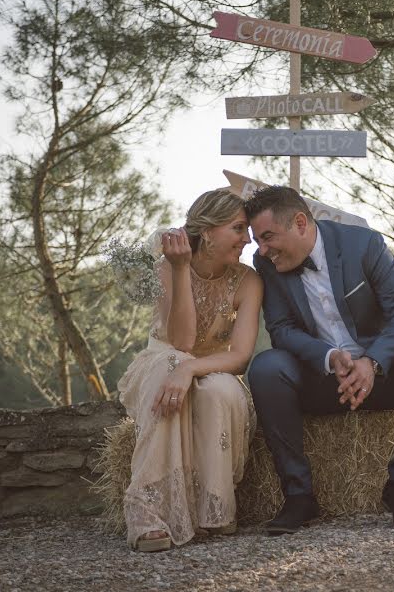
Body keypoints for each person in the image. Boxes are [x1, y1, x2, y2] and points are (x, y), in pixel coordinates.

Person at [245, 186, 394, 534]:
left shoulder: (364, 244)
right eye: (257, 242)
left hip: (382, 375)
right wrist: (328, 356)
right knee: (267, 367)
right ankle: (299, 495)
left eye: (267, 238)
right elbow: (281, 329)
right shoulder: (265, 264)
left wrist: (371, 361)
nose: (262, 250)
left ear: (300, 222)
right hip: (321, 379)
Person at [118, 189, 263, 552]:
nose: (247, 239)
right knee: (173, 364)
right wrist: (182, 269)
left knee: (221, 391)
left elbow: (241, 356)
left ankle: (213, 511)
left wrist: (191, 371)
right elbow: (181, 341)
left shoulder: (249, 280)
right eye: (238, 228)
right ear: (208, 232)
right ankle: (148, 513)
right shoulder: (166, 268)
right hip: (162, 362)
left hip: (214, 367)